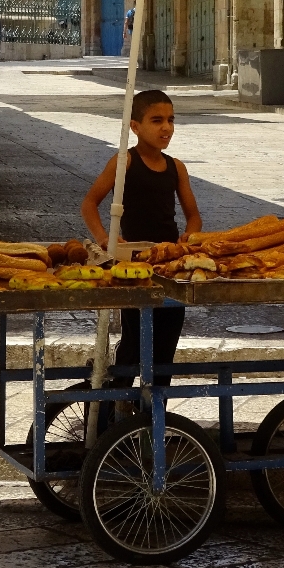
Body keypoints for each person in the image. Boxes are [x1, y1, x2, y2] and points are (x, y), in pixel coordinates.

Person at [81, 89, 202, 390]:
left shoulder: (177, 168)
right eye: (156, 120)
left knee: (165, 349)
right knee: (133, 345)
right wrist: (107, 239)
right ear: (135, 126)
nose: (166, 128)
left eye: (171, 120)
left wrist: (189, 235)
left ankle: (154, 417)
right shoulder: (124, 162)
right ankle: (115, 410)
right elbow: (89, 204)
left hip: (169, 267)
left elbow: (194, 216)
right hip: (133, 269)